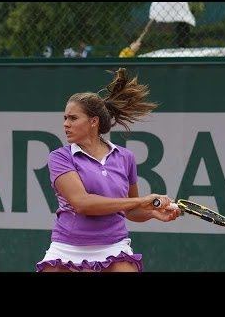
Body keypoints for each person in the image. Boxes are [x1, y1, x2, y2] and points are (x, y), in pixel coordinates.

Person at [36, 68, 181, 273]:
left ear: (93, 121)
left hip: (114, 247)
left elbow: (130, 211)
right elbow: (82, 203)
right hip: (67, 248)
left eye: (73, 118)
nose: (65, 124)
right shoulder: (60, 157)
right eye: (65, 118)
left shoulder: (125, 157)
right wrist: (141, 201)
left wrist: (153, 213)